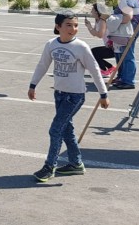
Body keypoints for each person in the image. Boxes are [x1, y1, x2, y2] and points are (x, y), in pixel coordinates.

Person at [28, 11, 110, 183]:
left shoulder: (81, 47)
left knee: (56, 129)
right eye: (68, 25)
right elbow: (42, 65)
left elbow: (95, 70)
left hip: (75, 96)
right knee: (67, 130)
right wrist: (33, 85)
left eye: (76, 25)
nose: (73, 29)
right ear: (58, 27)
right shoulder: (51, 44)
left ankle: (49, 167)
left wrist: (103, 94)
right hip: (59, 94)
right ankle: (76, 164)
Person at [110, 0, 139, 90]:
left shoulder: (125, 1)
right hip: (128, 32)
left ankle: (128, 81)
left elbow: (128, 16)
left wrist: (114, 21)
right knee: (120, 54)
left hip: (127, 33)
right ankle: (122, 77)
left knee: (127, 55)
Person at [84, 3, 116, 77]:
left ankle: (104, 70)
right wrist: (89, 26)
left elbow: (100, 34)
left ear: (97, 11)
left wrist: (91, 28)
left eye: (92, 10)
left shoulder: (102, 21)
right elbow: (94, 33)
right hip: (109, 46)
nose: (91, 11)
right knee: (93, 52)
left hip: (113, 47)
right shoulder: (97, 20)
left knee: (94, 52)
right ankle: (110, 67)